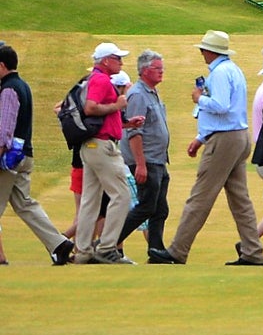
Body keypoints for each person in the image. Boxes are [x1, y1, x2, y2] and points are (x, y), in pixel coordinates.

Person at [167, 29, 263, 265]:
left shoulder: (220, 73)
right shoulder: (233, 70)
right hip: (238, 136)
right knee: (240, 200)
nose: (201, 53)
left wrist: (198, 98)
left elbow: (220, 106)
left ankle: (177, 251)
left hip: (224, 139)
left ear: (210, 51)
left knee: (200, 196)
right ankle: (252, 252)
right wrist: (201, 137)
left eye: (203, 49)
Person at [0, 43, 72, 264]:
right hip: (24, 156)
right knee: (25, 204)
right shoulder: (24, 86)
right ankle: (59, 244)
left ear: (1, 65)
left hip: (8, 159)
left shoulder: (8, 89)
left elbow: (4, 130)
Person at [72, 42, 131, 262]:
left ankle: (84, 252)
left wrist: (125, 123)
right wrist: (117, 106)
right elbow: (91, 108)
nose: (121, 62)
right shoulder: (100, 79)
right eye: (117, 58)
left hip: (93, 145)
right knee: (122, 195)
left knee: (90, 200)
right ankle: (106, 247)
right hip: (101, 145)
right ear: (106, 60)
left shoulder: (95, 78)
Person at [117, 50, 172, 261]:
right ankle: (107, 243)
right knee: (146, 206)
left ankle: (156, 250)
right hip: (147, 160)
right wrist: (140, 164)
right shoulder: (138, 94)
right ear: (145, 70)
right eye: (158, 69)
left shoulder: (151, 92)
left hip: (157, 159)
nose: (161, 72)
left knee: (159, 208)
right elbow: (133, 131)